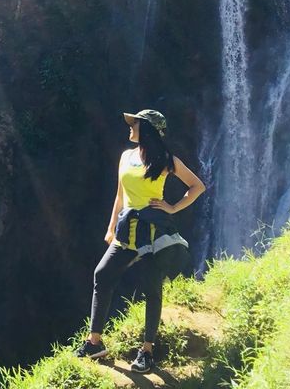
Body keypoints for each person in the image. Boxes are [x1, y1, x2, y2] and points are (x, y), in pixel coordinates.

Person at [75, 109, 206, 373]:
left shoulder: (167, 160)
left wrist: (171, 207)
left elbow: (197, 186)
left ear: (146, 129)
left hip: (152, 232)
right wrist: (111, 226)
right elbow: (120, 195)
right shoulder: (126, 156)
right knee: (102, 274)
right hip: (126, 229)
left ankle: (147, 351)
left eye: (134, 124)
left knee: (151, 288)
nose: (130, 128)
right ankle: (94, 342)